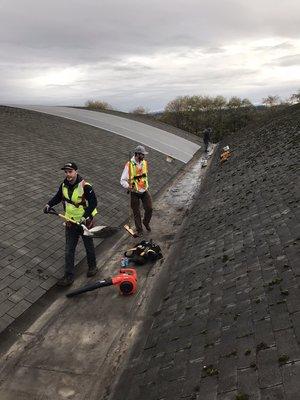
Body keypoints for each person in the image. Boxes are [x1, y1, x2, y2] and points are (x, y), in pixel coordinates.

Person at [43, 162, 98, 286]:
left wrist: (85, 217)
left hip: (84, 222)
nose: (68, 174)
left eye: (70, 171)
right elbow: (58, 197)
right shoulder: (64, 185)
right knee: (69, 250)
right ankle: (69, 276)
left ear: (76, 172)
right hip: (71, 222)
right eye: (66, 172)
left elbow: (93, 203)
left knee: (88, 246)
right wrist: (49, 204)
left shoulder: (85, 186)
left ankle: (93, 267)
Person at [120, 145, 153, 237]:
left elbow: (145, 175)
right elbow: (122, 180)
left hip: (144, 190)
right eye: (142, 155)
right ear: (137, 154)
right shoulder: (129, 165)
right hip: (134, 192)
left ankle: (146, 222)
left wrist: (146, 185)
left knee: (149, 208)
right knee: (136, 212)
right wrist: (128, 187)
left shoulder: (144, 163)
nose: (144, 156)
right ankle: (139, 230)